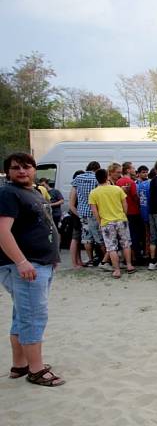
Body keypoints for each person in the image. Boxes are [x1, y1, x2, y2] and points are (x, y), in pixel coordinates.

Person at [0, 153, 64, 386]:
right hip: (26, 266)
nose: (22, 171)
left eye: (26, 167)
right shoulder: (8, 193)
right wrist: (21, 262)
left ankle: (20, 364)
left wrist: (51, 255)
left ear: (35, 169)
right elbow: (2, 231)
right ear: (8, 172)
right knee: (33, 316)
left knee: (22, 314)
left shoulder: (33, 192)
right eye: (15, 168)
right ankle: (36, 370)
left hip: (40, 262)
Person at [88, 168, 135, 278]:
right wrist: (124, 215)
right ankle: (129, 265)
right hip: (121, 219)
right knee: (126, 243)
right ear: (107, 177)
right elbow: (125, 204)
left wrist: (100, 222)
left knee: (111, 247)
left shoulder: (94, 193)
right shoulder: (117, 189)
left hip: (106, 222)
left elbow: (95, 211)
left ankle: (116, 270)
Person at [72, 161, 104, 267]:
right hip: (95, 212)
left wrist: (78, 212)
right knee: (99, 237)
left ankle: (90, 259)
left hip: (82, 212)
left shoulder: (78, 178)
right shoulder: (96, 178)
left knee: (86, 237)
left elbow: (73, 196)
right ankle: (104, 259)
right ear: (97, 169)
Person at [117, 162, 144, 264]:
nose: (134, 170)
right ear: (128, 170)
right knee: (134, 235)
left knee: (124, 235)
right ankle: (135, 257)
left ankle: (126, 257)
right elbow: (135, 197)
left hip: (123, 211)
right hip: (133, 210)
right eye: (132, 168)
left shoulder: (118, 182)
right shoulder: (131, 182)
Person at [136, 166, 151, 258]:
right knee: (143, 234)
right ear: (139, 173)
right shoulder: (136, 184)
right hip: (140, 212)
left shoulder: (149, 182)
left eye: (146, 172)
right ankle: (144, 252)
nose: (145, 174)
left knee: (148, 234)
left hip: (147, 211)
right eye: (143, 172)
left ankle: (147, 252)